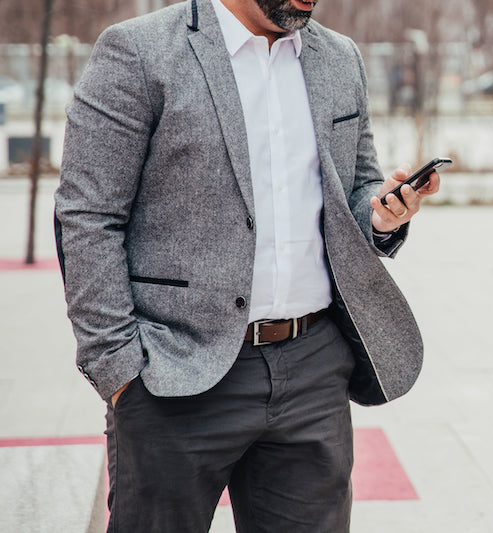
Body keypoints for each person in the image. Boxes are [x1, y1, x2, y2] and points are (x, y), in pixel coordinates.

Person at [53, 0, 439, 530]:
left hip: (313, 369)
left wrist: (383, 214)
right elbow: (87, 216)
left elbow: (356, 187)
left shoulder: (339, 57)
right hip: (173, 372)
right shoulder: (138, 52)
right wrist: (119, 369)